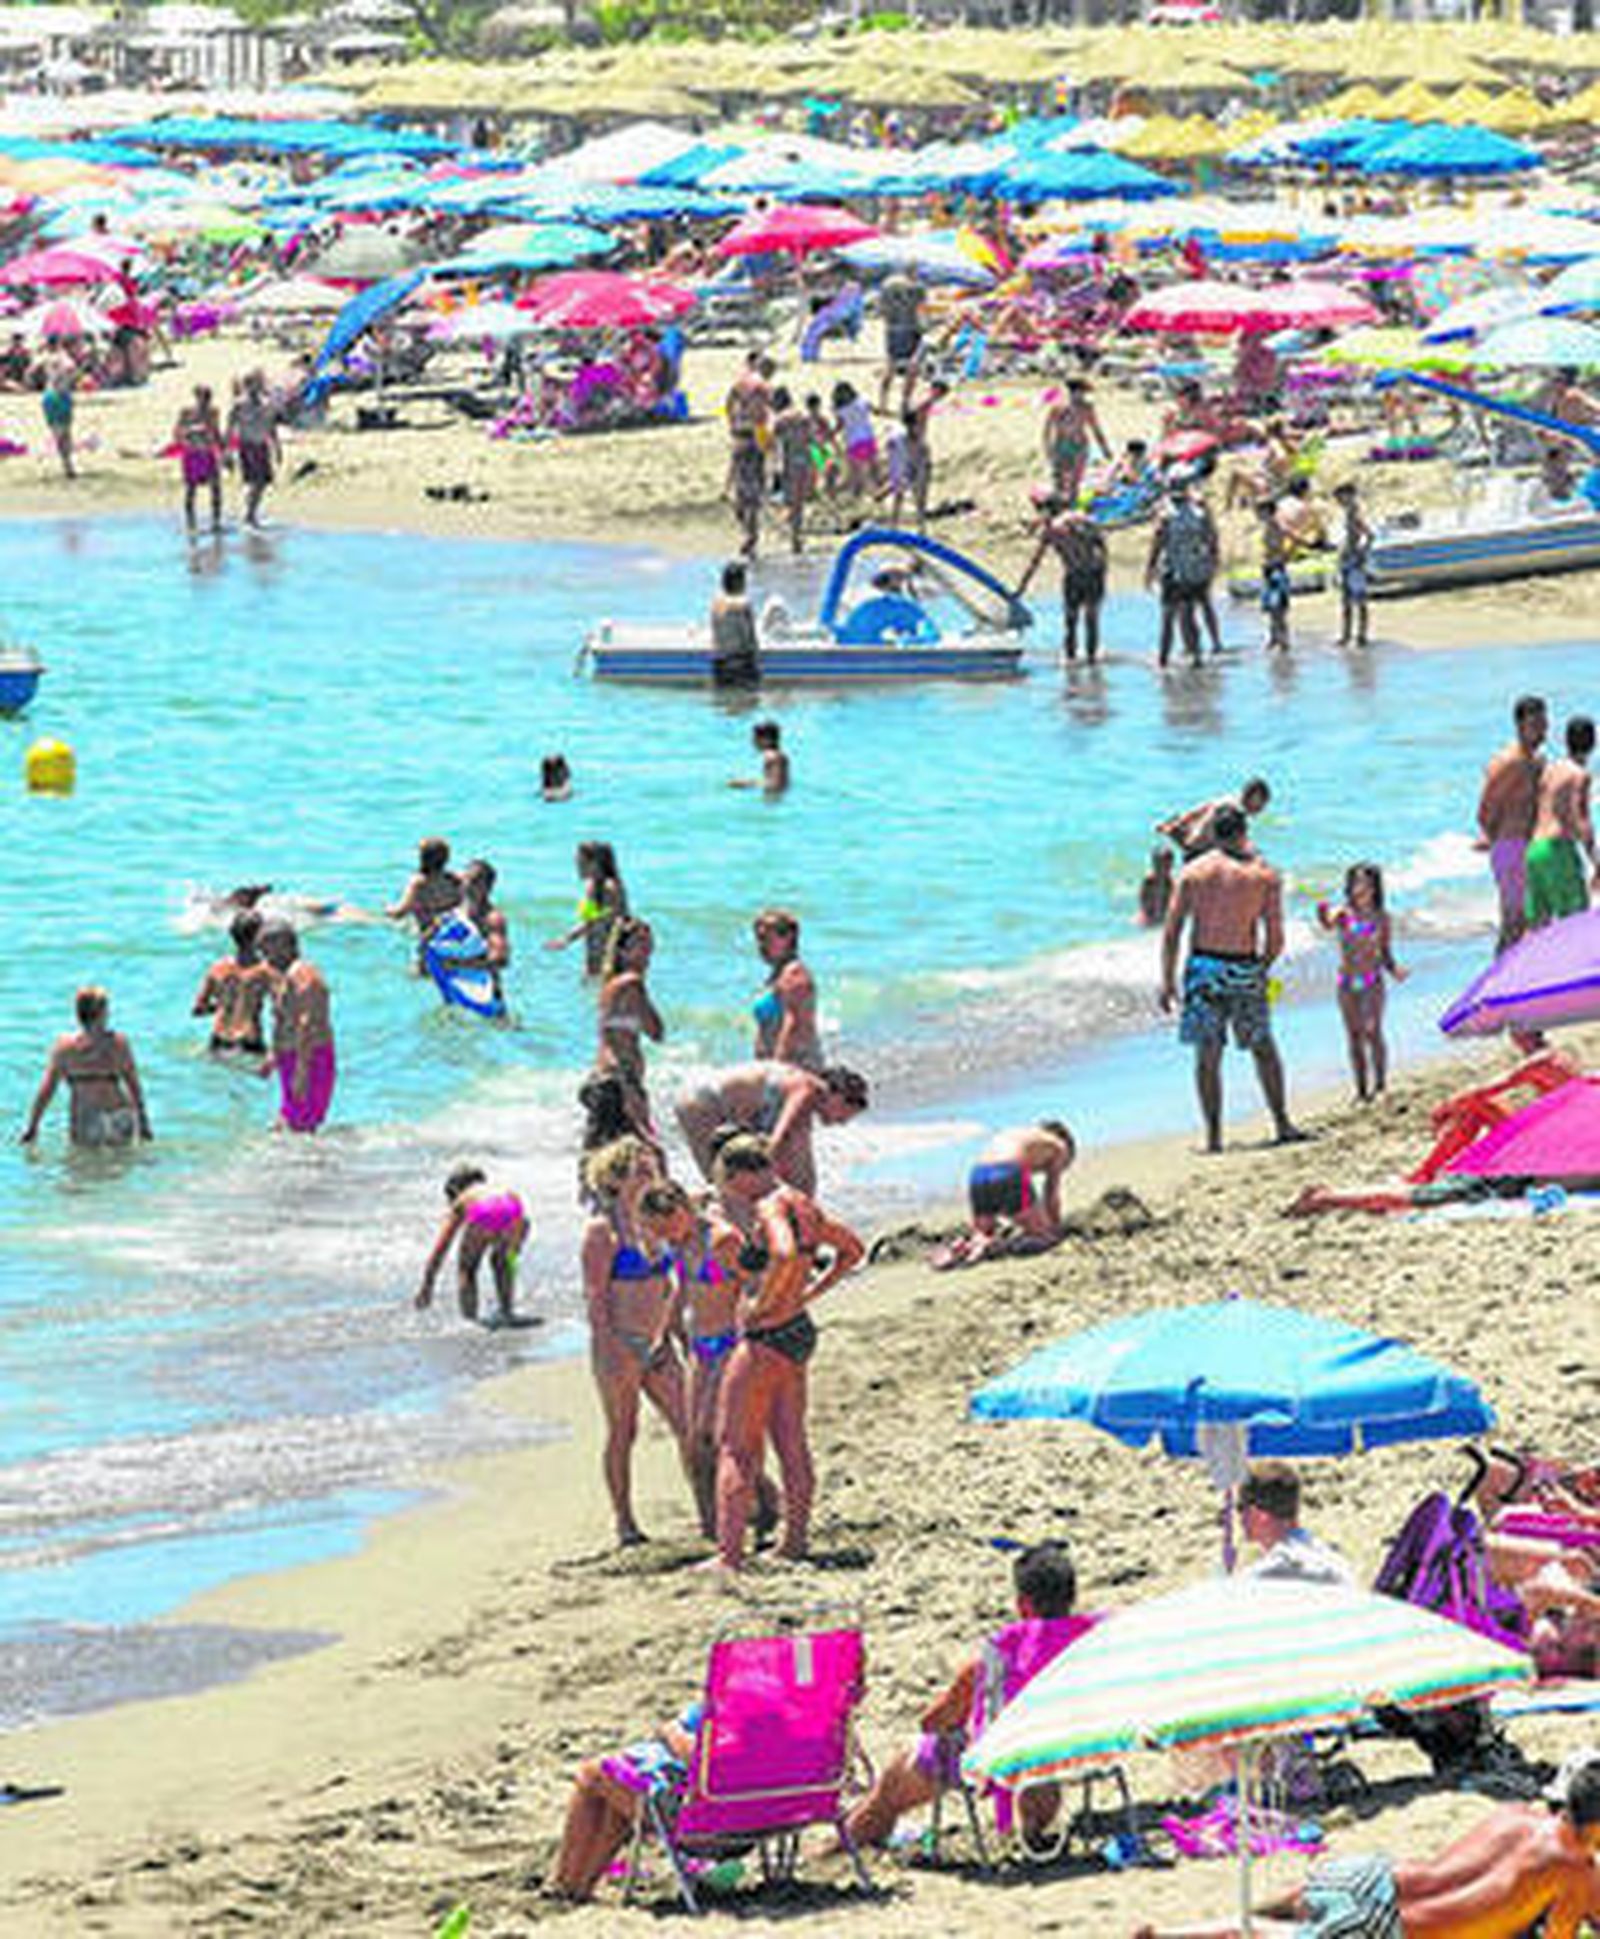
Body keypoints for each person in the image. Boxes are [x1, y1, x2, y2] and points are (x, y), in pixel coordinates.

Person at [1132, 1753, 1600, 1939]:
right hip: (1387, 1930)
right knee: (1268, 1937)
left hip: (1371, 1875)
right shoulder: (1576, 1870)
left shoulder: (1517, 1815)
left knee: (1276, 1913)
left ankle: (1176, 1933)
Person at [844, 1542, 1097, 1849]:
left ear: (1023, 1605)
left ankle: (844, 1845)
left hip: (1006, 1762)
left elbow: (932, 1722)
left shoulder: (998, 1662)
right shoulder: (1091, 1647)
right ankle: (1033, 1830)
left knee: (900, 1772)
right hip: (1074, 1751)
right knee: (1033, 1756)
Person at [709, 1130, 864, 1570]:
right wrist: (810, 1292)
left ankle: (729, 1555)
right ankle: (794, 1542)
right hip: (797, 1331)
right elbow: (851, 1249)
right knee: (791, 1442)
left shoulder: (770, 1205)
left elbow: (782, 1249)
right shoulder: (802, 1203)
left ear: (739, 1175)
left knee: (736, 1448)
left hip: (767, 1336)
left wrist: (765, 1303)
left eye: (726, 1182)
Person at [636, 1178, 778, 1543]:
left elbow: (754, 1284)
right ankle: (713, 1526)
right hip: (699, 1347)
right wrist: (662, 1335)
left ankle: (763, 1504)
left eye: (666, 1226)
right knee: (696, 1440)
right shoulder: (682, 1244)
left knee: (723, 1437)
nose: (664, 1236)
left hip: (730, 1344)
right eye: (656, 1230)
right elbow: (682, 1290)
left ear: (682, 1211)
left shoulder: (723, 1240)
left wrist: (753, 1334)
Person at [1161, 803, 1303, 1154]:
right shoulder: (1264, 875)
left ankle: (1213, 1138)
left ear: (1212, 835)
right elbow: (1275, 938)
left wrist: (1167, 981)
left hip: (1204, 966)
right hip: (1244, 964)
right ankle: (1282, 1123)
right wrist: (1260, 968)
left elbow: (1172, 932)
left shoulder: (1192, 874)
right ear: (1244, 833)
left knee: (1208, 1056)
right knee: (1262, 1048)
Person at [580, 1135, 692, 1547]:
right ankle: (624, 1521)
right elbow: (595, 1296)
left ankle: (706, 1505)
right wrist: (610, 1346)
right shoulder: (602, 1231)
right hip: (620, 1345)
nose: (652, 1176)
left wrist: (676, 1331)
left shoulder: (655, 1224)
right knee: (623, 1433)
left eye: (653, 1169)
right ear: (615, 1179)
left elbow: (670, 1283)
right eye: (642, 1171)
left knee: (689, 1426)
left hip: (659, 1344)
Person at [675, 1062, 869, 1195]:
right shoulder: (807, 1089)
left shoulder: (801, 1087)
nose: (842, 1122)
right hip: (702, 1104)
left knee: (727, 1182)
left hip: (699, 1099)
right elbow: (777, 1139)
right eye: (845, 1114)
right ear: (839, 1096)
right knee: (723, 1185)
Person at [931, 1121, 1076, 1270]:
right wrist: (1056, 1226)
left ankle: (960, 1248)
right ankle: (995, 1246)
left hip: (978, 1174)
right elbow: (1051, 1192)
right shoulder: (1060, 1146)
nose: (1041, 1171)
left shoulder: (1021, 1134)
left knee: (982, 1234)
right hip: (1008, 1170)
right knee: (1046, 1238)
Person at [21, 986, 151, 1148]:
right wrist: (143, 1121)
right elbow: (134, 1086)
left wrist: (33, 1126)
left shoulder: (65, 1047)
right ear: (103, 1013)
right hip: (118, 1113)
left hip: (86, 1116)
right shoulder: (118, 1043)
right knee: (119, 1167)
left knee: (83, 1169)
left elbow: (46, 1091)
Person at [1318, 863, 1405, 1102]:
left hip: (1372, 980)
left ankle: (1380, 1085)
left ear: (1375, 887)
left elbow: (1386, 952)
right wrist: (1322, 913)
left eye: (1366, 883)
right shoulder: (1344, 914)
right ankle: (1361, 1090)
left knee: (1372, 1030)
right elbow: (1327, 924)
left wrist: (1395, 969)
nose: (1360, 887)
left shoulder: (1381, 917)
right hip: (1346, 982)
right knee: (1354, 1036)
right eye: (1356, 882)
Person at [414, 1163, 530, 1325]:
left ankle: (469, 1320)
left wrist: (427, 1285)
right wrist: (512, 1258)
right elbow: (522, 1228)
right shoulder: (495, 1188)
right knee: (502, 1261)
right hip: (515, 1212)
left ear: (456, 1190)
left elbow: (441, 1248)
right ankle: (507, 1309)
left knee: (467, 1268)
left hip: (485, 1211)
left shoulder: (463, 1198)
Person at [1478, 694, 1548, 956]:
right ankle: (1494, 985)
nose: (1542, 730)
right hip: (1510, 846)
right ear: (1519, 726)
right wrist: (1498, 838)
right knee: (1513, 923)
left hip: (1527, 847)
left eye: (1544, 724)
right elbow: (1485, 809)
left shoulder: (1536, 761)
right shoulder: (1509, 761)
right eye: (1535, 724)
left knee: (1530, 921)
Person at [258, 920, 335, 1134]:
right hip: (292, 1056)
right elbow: (284, 1019)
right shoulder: (289, 975)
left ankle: (308, 1166)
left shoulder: (304, 975)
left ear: (284, 946)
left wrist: (302, 1070)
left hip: (309, 1057)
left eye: (267, 949)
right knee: (287, 1120)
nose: (264, 957)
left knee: (302, 1125)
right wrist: (274, 1056)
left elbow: (307, 1023)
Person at [1014, 492, 1108, 664]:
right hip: (1083, 574)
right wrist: (1021, 588)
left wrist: (1022, 587)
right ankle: (1083, 660)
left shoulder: (1069, 523)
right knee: (1082, 621)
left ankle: (1081, 659)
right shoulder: (1054, 529)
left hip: (1086, 574)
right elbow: (1035, 561)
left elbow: (1035, 562)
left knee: (1081, 620)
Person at [1526, 715, 1597, 930]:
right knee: (1577, 925)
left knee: (1538, 928)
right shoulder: (1580, 775)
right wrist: (1596, 860)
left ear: (1566, 742)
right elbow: (1581, 819)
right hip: (1558, 851)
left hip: (1535, 850)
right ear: (1593, 744)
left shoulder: (1550, 770)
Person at [597, 916, 663, 1142]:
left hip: (606, 1074)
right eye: (641, 944)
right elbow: (656, 1031)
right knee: (648, 1146)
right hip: (623, 1076)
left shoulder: (609, 984)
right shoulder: (632, 982)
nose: (648, 952)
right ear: (622, 951)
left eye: (649, 944)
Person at [1239, 1461, 1354, 1586]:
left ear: (1258, 1515)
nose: (1240, 1519)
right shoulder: (1337, 1563)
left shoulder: (1265, 1575)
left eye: (1241, 1508)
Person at [1147, 480, 1218, 670]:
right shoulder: (1199, 514)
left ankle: (1163, 660)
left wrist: (1150, 570)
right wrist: (1212, 564)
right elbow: (1211, 541)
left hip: (1174, 572)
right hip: (1195, 571)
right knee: (1189, 616)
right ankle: (1196, 657)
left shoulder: (1166, 516)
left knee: (1168, 618)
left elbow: (1157, 544)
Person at [192, 907, 275, 1055]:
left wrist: (222, 1005)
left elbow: (198, 1009)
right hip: (249, 1041)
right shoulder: (266, 972)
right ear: (259, 937)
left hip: (218, 1040)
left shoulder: (217, 968)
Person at [752, 907, 822, 1070]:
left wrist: (776, 1071)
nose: (761, 946)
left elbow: (793, 1026)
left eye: (765, 938)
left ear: (788, 938)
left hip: (795, 1069)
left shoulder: (795, 975)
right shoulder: (777, 976)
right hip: (777, 1067)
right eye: (758, 939)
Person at [546, 842, 627, 978]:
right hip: (594, 954)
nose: (578, 867)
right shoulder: (592, 887)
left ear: (595, 864)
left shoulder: (610, 887)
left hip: (612, 955)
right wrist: (566, 938)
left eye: (581, 863)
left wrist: (567, 938)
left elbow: (614, 921)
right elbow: (589, 920)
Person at [1158, 778, 1271, 861]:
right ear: (1252, 797)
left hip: (1192, 842)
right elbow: (1229, 843)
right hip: (1200, 852)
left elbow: (1196, 812)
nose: (1261, 808)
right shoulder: (1234, 814)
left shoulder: (1226, 799)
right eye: (1261, 803)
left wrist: (1179, 823)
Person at [386, 837, 463, 957]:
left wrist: (388, 910)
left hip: (429, 936)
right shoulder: (455, 880)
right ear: (446, 858)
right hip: (455, 936)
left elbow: (400, 913)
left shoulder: (419, 883)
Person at [1042, 377, 1110, 507]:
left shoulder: (1086, 408)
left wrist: (1105, 449)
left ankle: (1070, 505)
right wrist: (1048, 448)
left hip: (1079, 445)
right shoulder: (1059, 407)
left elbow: (1096, 429)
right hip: (1062, 444)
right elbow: (1048, 429)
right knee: (1060, 478)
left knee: (1074, 480)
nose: (1082, 396)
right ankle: (1059, 505)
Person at [226, 368, 279, 529]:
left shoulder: (266, 403)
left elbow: (271, 426)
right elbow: (230, 427)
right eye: (254, 384)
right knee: (255, 481)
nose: (257, 387)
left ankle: (251, 513)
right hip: (247, 445)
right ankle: (249, 514)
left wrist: (277, 447)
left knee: (262, 482)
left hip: (262, 445)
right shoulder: (239, 404)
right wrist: (227, 450)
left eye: (259, 384)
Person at [173, 383, 224, 537]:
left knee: (215, 488)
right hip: (193, 453)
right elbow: (177, 432)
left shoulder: (213, 412)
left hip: (207, 452)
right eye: (203, 397)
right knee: (191, 489)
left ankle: (216, 521)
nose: (205, 401)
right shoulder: (187, 412)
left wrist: (223, 450)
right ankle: (191, 523)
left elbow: (216, 432)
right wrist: (192, 432)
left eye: (208, 398)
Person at [459, 858, 511, 1004]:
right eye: (466, 878)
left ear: (488, 887)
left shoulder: (492, 919)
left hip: (487, 994)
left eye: (475, 881)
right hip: (458, 988)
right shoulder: (458, 912)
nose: (468, 884)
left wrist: (458, 964)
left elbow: (501, 960)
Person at [770, 386, 813, 555]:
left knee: (791, 500)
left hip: (790, 462)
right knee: (799, 501)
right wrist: (821, 461)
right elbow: (812, 440)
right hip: (805, 460)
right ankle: (796, 534)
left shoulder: (780, 419)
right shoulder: (803, 416)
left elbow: (776, 446)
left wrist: (774, 467)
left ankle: (794, 536)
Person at [878, 267, 925, 409]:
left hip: (892, 328)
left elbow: (881, 309)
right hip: (910, 328)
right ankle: (904, 403)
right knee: (912, 367)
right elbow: (921, 307)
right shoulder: (917, 287)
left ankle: (883, 402)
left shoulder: (887, 284)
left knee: (890, 365)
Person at [1332, 480, 1371, 650]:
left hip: (1354, 561)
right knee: (1346, 600)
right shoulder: (1349, 513)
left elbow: (1370, 535)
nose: (1338, 501)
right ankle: (1347, 634)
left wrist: (1361, 552)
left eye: (1340, 497)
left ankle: (1361, 635)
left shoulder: (1355, 514)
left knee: (1359, 599)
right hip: (1347, 560)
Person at [709, 560, 760, 687]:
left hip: (720, 663)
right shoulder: (743, 604)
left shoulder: (716, 604)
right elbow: (749, 638)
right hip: (740, 662)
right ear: (740, 582)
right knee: (748, 701)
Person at [1256, 498, 1291, 653]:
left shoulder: (1277, 525)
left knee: (1278, 606)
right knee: (1271, 606)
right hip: (1269, 568)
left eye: (1261, 511)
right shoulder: (1267, 527)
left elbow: (1291, 537)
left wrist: (1284, 555)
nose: (1258, 514)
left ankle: (1283, 639)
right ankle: (1274, 638)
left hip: (1277, 567)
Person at [729, 719, 789, 795]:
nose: (753, 741)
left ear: (766, 740)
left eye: (756, 738)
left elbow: (775, 784)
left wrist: (745, 784)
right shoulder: (777, 756)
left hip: (774, 796)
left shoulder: (773, 757)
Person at [40, 354, 75, 480]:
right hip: (58, 399)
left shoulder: (52, 359)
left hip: (56, 398)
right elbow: (67, 371)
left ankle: (68, 466)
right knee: (61, 435)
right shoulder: (62, 360)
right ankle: (46, 460)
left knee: (63, 435)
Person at [1139, 848, 1175, 928]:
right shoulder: (1148, 882)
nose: (1163, 869)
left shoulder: (1171, 884)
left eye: (1167, 866)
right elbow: (1143, 904)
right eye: (1159, 866)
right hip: (1149, 915)